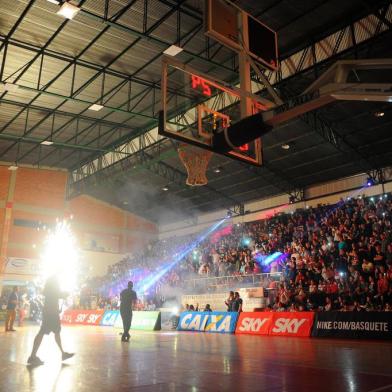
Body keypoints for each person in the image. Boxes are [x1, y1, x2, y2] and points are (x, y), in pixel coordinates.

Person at [27, 276, 74, 366]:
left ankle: (63, 353)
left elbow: (54, 295)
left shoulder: (49, 286)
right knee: (44, 332)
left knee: (55, 332)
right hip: (51, 313)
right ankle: (32, 356)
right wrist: (63, 294)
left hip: (50, 312)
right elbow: (56, 294)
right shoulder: (53, 285)